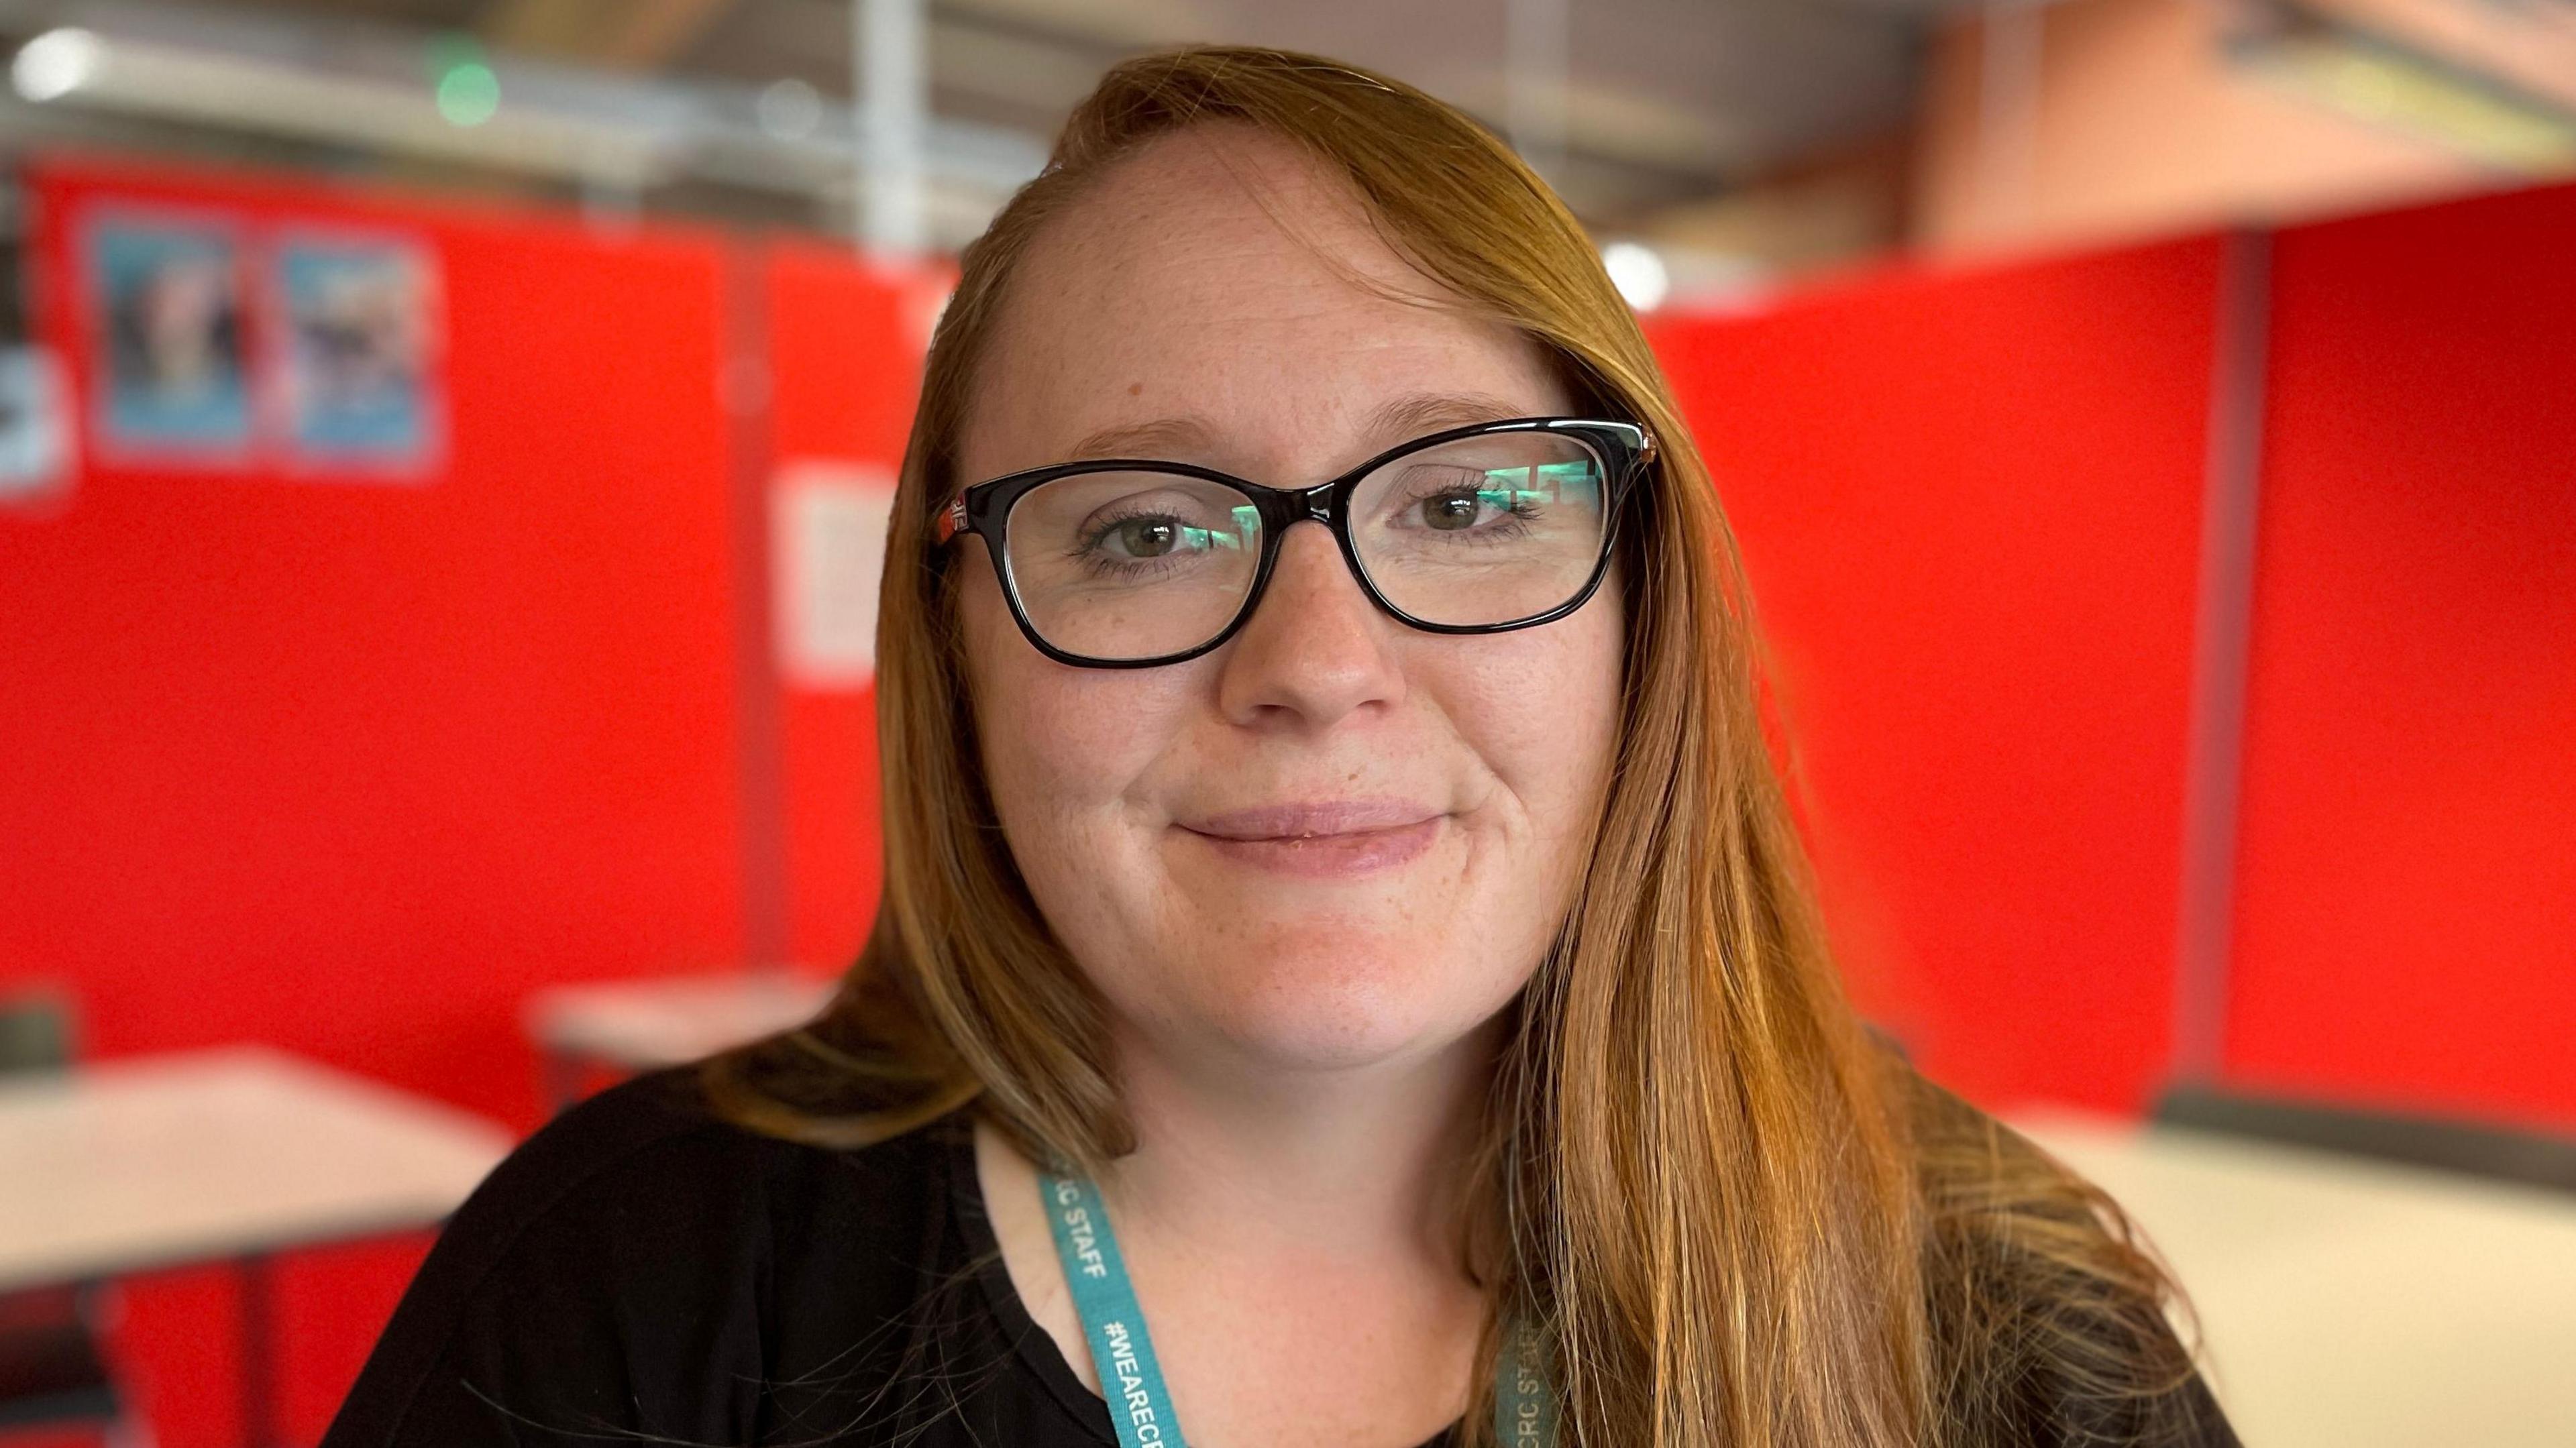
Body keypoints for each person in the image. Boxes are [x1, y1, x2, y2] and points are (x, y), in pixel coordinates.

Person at [323, 45, 2240, 1448]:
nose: (1320, 667)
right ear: (959, 626)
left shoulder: (2003, 1337)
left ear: (1641, 603)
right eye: (1147, 531)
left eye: (1470, 508)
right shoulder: (625, 1297)